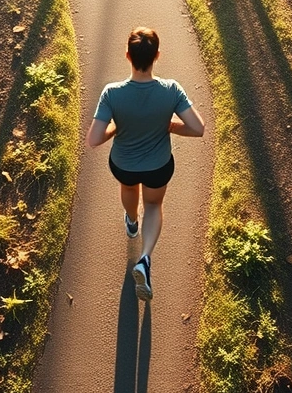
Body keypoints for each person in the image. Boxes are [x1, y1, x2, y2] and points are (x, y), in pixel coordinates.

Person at [85, 27, 205, 301]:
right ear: (157, 56)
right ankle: (145, 258)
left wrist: (114, 129)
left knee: (129, 190)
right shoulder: (171, 90)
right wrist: (170, 126)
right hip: (158, 165)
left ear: (127, 56)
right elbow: (197, 128)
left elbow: (93, 139)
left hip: (124, 164)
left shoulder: (111, 94)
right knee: (153, 204)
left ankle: (131, 222)